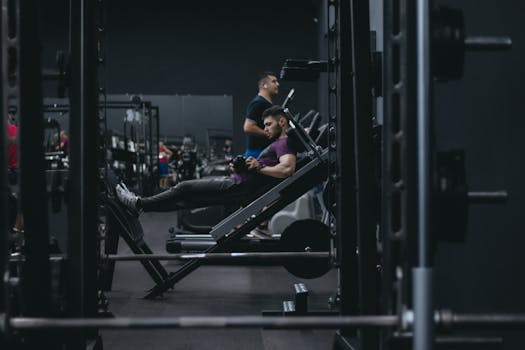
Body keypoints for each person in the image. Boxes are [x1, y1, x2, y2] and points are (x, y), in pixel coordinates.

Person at [116, 105, 296, 215]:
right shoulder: (279, 144)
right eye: (264, 125)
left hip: (237, 186)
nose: (265, 129)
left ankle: (138, 203)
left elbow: (287, 169)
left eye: (268, 124)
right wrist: (246, 166)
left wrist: (257, 168)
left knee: (183, 187)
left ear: (281, 122)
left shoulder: (282, 143)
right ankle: (141, 207)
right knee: (186, 201)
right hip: (239, 185)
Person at [243, 72, 280, 158]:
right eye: (274, 81)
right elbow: (248, 127)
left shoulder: (267, 103)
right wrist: (269, 134)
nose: (277, 84)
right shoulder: (258, 103)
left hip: (265, 151)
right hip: (257, 153)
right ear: (264, 85)